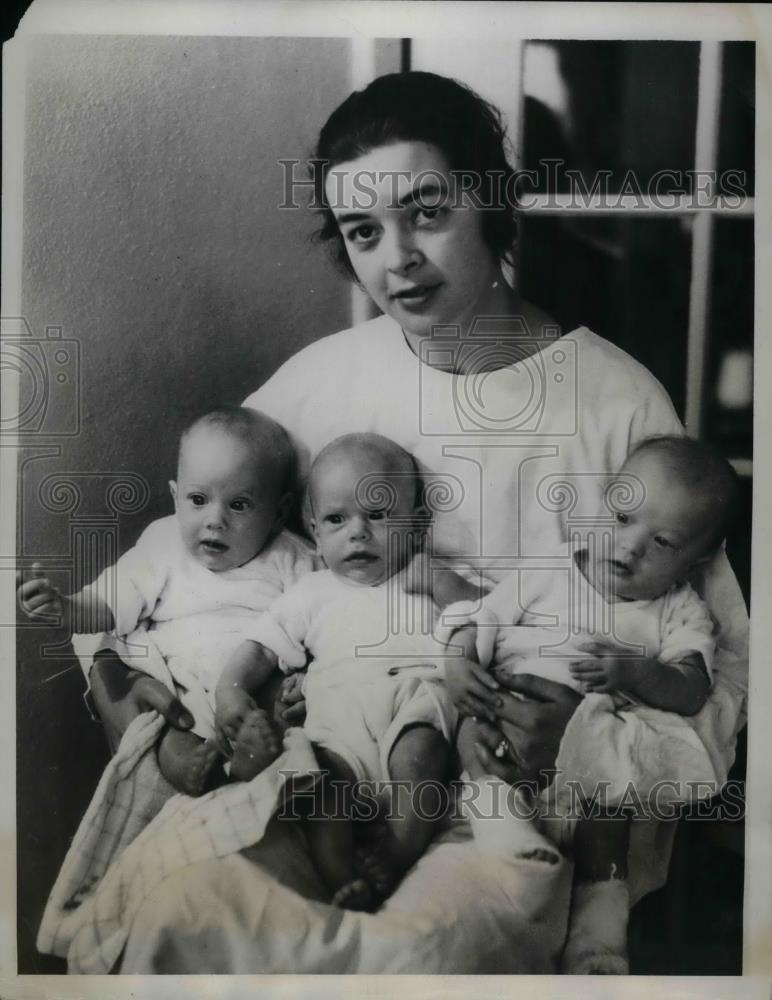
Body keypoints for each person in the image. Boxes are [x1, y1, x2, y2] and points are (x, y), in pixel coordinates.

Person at [85, 71, 748, 974]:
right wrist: (121, 680)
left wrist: (586, 742)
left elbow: (719, 683)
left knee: (411, 958)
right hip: (327, 770)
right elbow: (177, 570)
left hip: (515, 800)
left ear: (492, 202)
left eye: (426, 211)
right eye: (364, 231)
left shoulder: (618, 404)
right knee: (182, 914)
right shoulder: (318, 381)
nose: (396, 258)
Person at [447, 434, 740, 972]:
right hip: (505, 723)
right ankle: (506, 837)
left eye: (664, 543)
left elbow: (692, 687)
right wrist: (460, 659)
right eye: (624, 518)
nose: (630, 547)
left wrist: (638, 671)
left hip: (593, 765)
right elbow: (480, 618)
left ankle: (598, 944)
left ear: (697, 560)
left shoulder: (679, 612)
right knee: (473, 731)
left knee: (609, 826)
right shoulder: (547, 569)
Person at [217, 432, 463, 909]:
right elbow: (259, 648)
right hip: (338, 722)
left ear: (417, 523)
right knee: (321, 787)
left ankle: (395, 854)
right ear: (313, 529)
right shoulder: (313, 592)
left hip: (411, 701)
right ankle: (341, 875)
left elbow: (486, 618)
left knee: (421, 759)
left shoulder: (428, 579)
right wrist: (230, 694)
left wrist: (442, 581)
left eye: (378, 514)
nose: (358, 532)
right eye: (336, 519)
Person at [19, 407, 315, 796]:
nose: (215, 519)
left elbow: (320, 619)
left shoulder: (291, 558)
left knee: (285, 707)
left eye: (239, 505)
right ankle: (195, 770)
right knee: (165, 733)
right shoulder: (163, 543)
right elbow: (114, 598)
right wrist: (68, 610)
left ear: (278, 513)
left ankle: (255, 759)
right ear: (176, 498)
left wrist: (306, 679)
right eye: (198, 499)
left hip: (253, 683)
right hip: (182, 687)